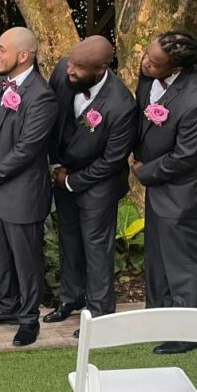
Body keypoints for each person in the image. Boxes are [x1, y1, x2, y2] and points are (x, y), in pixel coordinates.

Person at [132, 30, 197, 355]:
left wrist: (144, 171)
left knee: (183, 255)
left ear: (174, 68)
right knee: (158, 248)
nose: (145, 63)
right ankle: (159, 318)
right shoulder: (148, 78)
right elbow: (140, 119)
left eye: (154, 62)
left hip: (187, 182)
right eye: (147, 55)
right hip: (162, 177)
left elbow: (187, 156)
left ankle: (189, 332)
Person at [46, 37, 137, 336]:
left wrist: (72, 181)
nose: (69, 71)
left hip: (98, 182)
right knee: (69, 239)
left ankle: (98, 311)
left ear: (100, 69)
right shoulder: (63, 71)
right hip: (64, 172)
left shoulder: (122, 104)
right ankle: (70, 298)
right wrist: (57, 165)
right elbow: (53, 120)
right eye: (70, 62)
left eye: (78, 68)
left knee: (96, 246)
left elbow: (112, 160)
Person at [0, 27, 58, 347]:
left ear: (23, 56)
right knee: (2, 255)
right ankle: (7, 307)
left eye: (1, 49)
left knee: (26, 260)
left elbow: (28, 148)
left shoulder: (41, 95)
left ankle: (28, 319)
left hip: (22, 192)